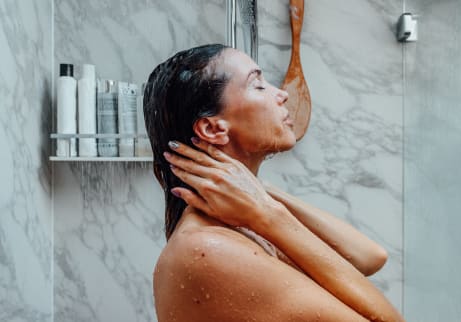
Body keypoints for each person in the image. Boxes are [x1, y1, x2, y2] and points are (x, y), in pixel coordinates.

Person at [144, 43, 404, 322]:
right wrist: (269, 214)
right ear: (212, 128)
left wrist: (262, 194)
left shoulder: (243, 220)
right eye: (257, 85)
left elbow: (369, 257)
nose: (281, 94)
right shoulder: (206, 249)